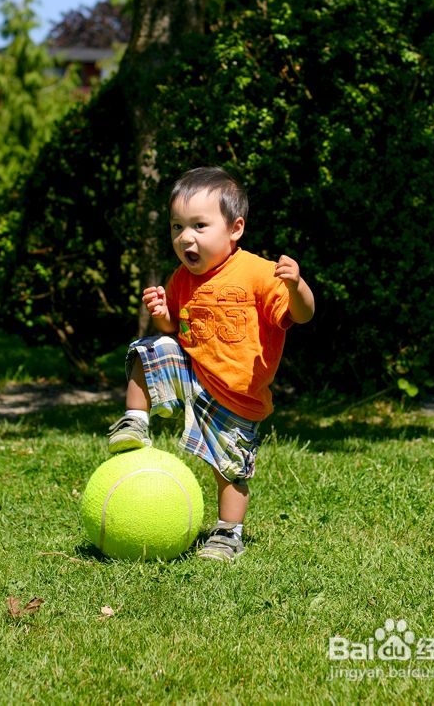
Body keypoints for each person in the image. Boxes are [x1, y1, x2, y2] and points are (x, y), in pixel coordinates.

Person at [108, 166, 315, 561]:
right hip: (194, 373)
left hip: (237, 396)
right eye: (176, 227)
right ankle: (134, 420)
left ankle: (228, 533)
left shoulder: (258, 274)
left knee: (229, 470)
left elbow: (300, 316)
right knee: (147, 349)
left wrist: (297, 285)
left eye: (199, 226)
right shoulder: (182, 277)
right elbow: (174, 327)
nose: (185, 238)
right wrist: (161, 312)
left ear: (234, 229)